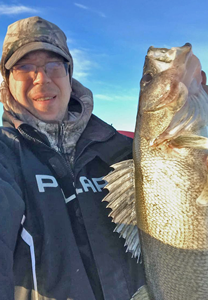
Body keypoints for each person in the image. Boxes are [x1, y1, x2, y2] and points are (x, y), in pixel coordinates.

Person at [0, 16, 145, 300]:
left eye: (54, 65)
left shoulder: (122, 151)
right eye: (24, 67)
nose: (41, 78)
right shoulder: (5, 155)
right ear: (6, 81)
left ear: (69, 74)